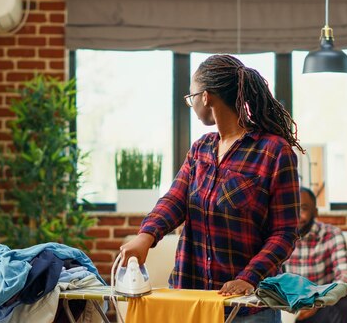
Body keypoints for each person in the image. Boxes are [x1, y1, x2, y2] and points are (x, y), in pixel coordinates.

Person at [120, 54, 303, 323]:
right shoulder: (201, 149)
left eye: (190, 97)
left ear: (205, 97)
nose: (191, 103)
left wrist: (247, 278)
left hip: (246, 307)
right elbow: (175, 200)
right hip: (191, 299)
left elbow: (284, 233)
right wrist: (145, 236)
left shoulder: (273, 151)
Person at [283, 186, 347, 323]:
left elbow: (346, 277)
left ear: (315, 212)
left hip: (322, 304)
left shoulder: (331, 234)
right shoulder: (280, 237)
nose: (297, 216)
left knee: (344, 305)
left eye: (303, 209)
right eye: (292, 209)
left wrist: (316, 301)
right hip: (290, 305)